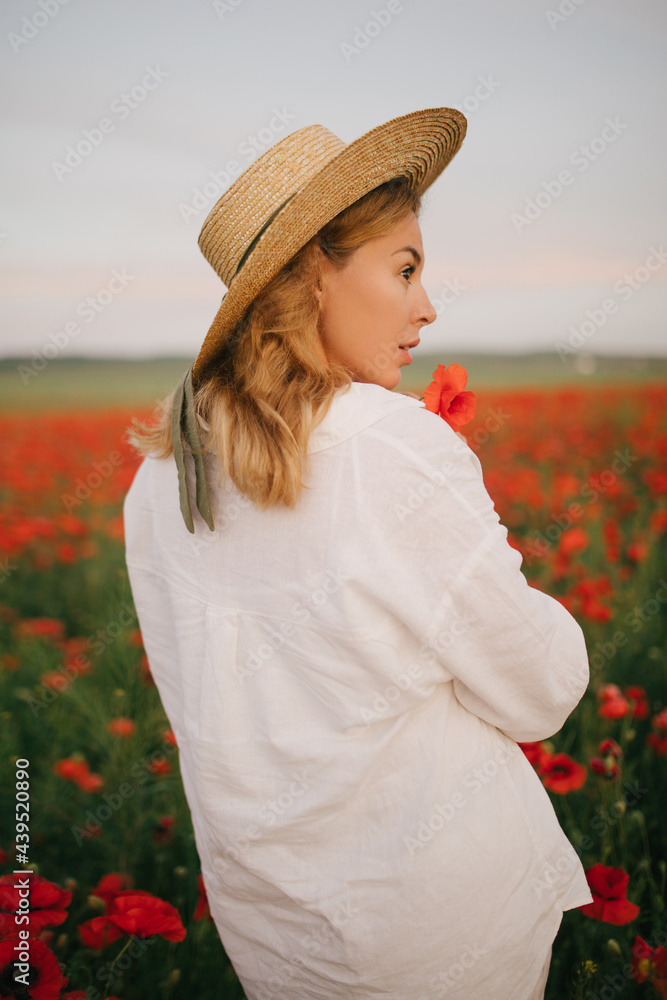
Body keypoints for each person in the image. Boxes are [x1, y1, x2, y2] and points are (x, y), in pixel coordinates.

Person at [123, 108, 593, 1000]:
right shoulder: (385, 442)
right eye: (404, 268)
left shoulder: (157, 483)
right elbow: (543, 690)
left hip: (276, 942)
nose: (426, 305)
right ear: (310, 277)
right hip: (442, 937)